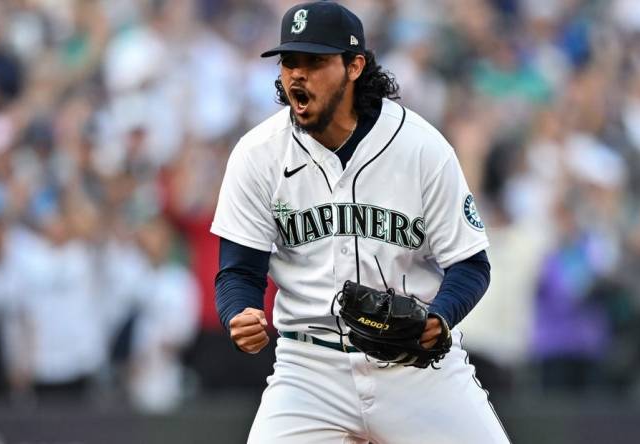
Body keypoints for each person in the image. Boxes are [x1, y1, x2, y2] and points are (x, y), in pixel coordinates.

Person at [212, 2, 510, 442]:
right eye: (289, 61)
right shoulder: (259, 154)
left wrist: (440, 318)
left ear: (354, 66)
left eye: (315, 61)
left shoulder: (421, 148)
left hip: (414, 369)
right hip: (309, 372)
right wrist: (238, 311)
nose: (297, 74)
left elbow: (471, 264)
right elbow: (238, 270)